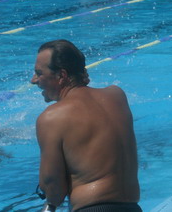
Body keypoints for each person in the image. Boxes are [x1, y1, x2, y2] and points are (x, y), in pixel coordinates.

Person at [32, 39, 140, 211]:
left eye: (39, 73)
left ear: (61, 76)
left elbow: (54, 188)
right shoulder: (116, 96)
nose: (33, 80)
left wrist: (49, 203)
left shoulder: (51, 117)